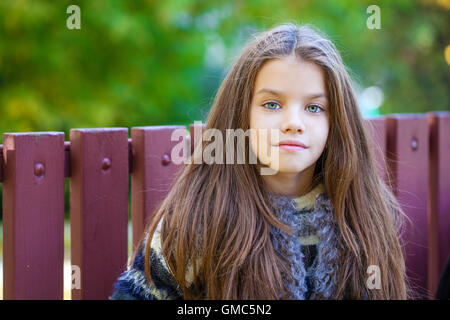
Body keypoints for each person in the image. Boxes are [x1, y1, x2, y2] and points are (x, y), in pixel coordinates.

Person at [110, 22, 412, 300]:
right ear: (242, 115)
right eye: (272, 104)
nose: (293, 122)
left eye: (314, 108)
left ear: (338, 123)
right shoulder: (199, 217)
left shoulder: (362, 214)